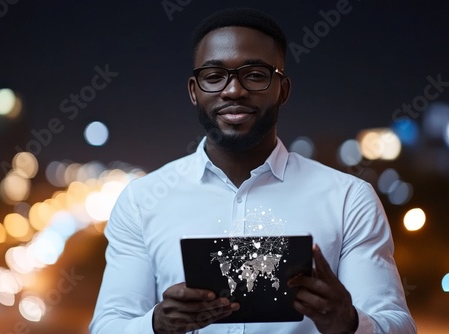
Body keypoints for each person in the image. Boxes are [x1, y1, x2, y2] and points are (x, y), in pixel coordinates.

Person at [89, 7, 417, 334]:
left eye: (255, 75)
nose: (233, 90)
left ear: (283, 90)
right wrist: (155, 325)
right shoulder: (140, 201)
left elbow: (399, 326)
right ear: (194, 91)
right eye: (214, 76)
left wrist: (349, 323)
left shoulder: (349, 199)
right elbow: (106, 326)